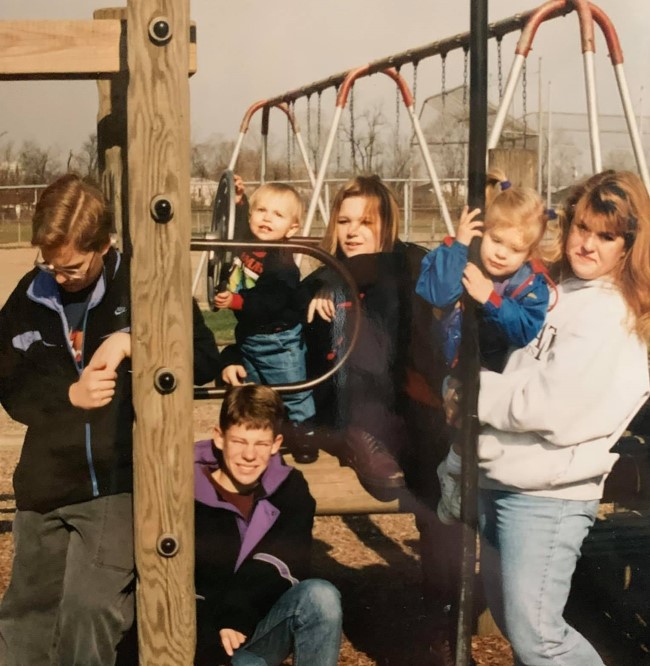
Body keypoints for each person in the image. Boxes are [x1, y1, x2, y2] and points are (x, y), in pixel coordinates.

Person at [0, 173, 222, 665]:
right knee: (25, 616)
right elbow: (9, 384)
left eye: (73, 267)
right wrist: (68, 394)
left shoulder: (145, 283)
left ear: (105, 244)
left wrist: (136, 342)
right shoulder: (31, 294)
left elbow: (202, 357)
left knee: (90, 609)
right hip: (46, 483)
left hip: (115, 481)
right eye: (50, 264)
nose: (60, 276)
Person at [444, 170, 650, 665]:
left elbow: (550, 405)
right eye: (581, 228)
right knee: (522, 631)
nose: (587, 244)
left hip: (547, 494)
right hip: (504, 475)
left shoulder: (611, 313)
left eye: (606, 236)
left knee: (538, 636)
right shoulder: (558, 288)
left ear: (629, 246)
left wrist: (470, 394)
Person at [304, 175, 460, 664]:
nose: (352, 232)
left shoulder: (410, 266)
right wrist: (308, 307)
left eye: (365, 222)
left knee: (442, 503)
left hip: (411, 413)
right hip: (357, 414)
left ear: (387, 225)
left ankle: (442, 618)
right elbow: (278, 313)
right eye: (344, 221)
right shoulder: (326, 277)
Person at [416, 176, 560, 523]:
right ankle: (452, 478)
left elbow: (526, 328)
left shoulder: (531, 284)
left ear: (529, 253)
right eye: (495, 240)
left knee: (484, 442)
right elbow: (435, 293)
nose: (500, 253)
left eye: (514, 249)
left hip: (505, 376)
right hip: (460, 367)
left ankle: (459, 480)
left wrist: (491, 299)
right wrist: (458, 245)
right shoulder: (464, 258)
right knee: (464, 420)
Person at [194, 384, 342, 666]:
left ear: (276, 444)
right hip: (199, 637)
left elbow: (285, 562)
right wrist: (216, 626)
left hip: (253, 630)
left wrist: (237, 615)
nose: (249, 456)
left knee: (321, 596)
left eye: (261, 444)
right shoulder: (187, 487)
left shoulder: (289, 488)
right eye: (239, 441)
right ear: (220, 438)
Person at [216, 182, 317, 463]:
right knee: (256, 392)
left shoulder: (281, 264)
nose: (267, 218)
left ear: (292, 229)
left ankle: (305, 436)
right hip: (250, 335)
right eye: (260, 210)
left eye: (277, 214)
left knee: (293, 389)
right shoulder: (249, 243)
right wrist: (238, 201)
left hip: (278, 339)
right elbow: (233, 234)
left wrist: (236, 302)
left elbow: (272, 301)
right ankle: (264, 436)